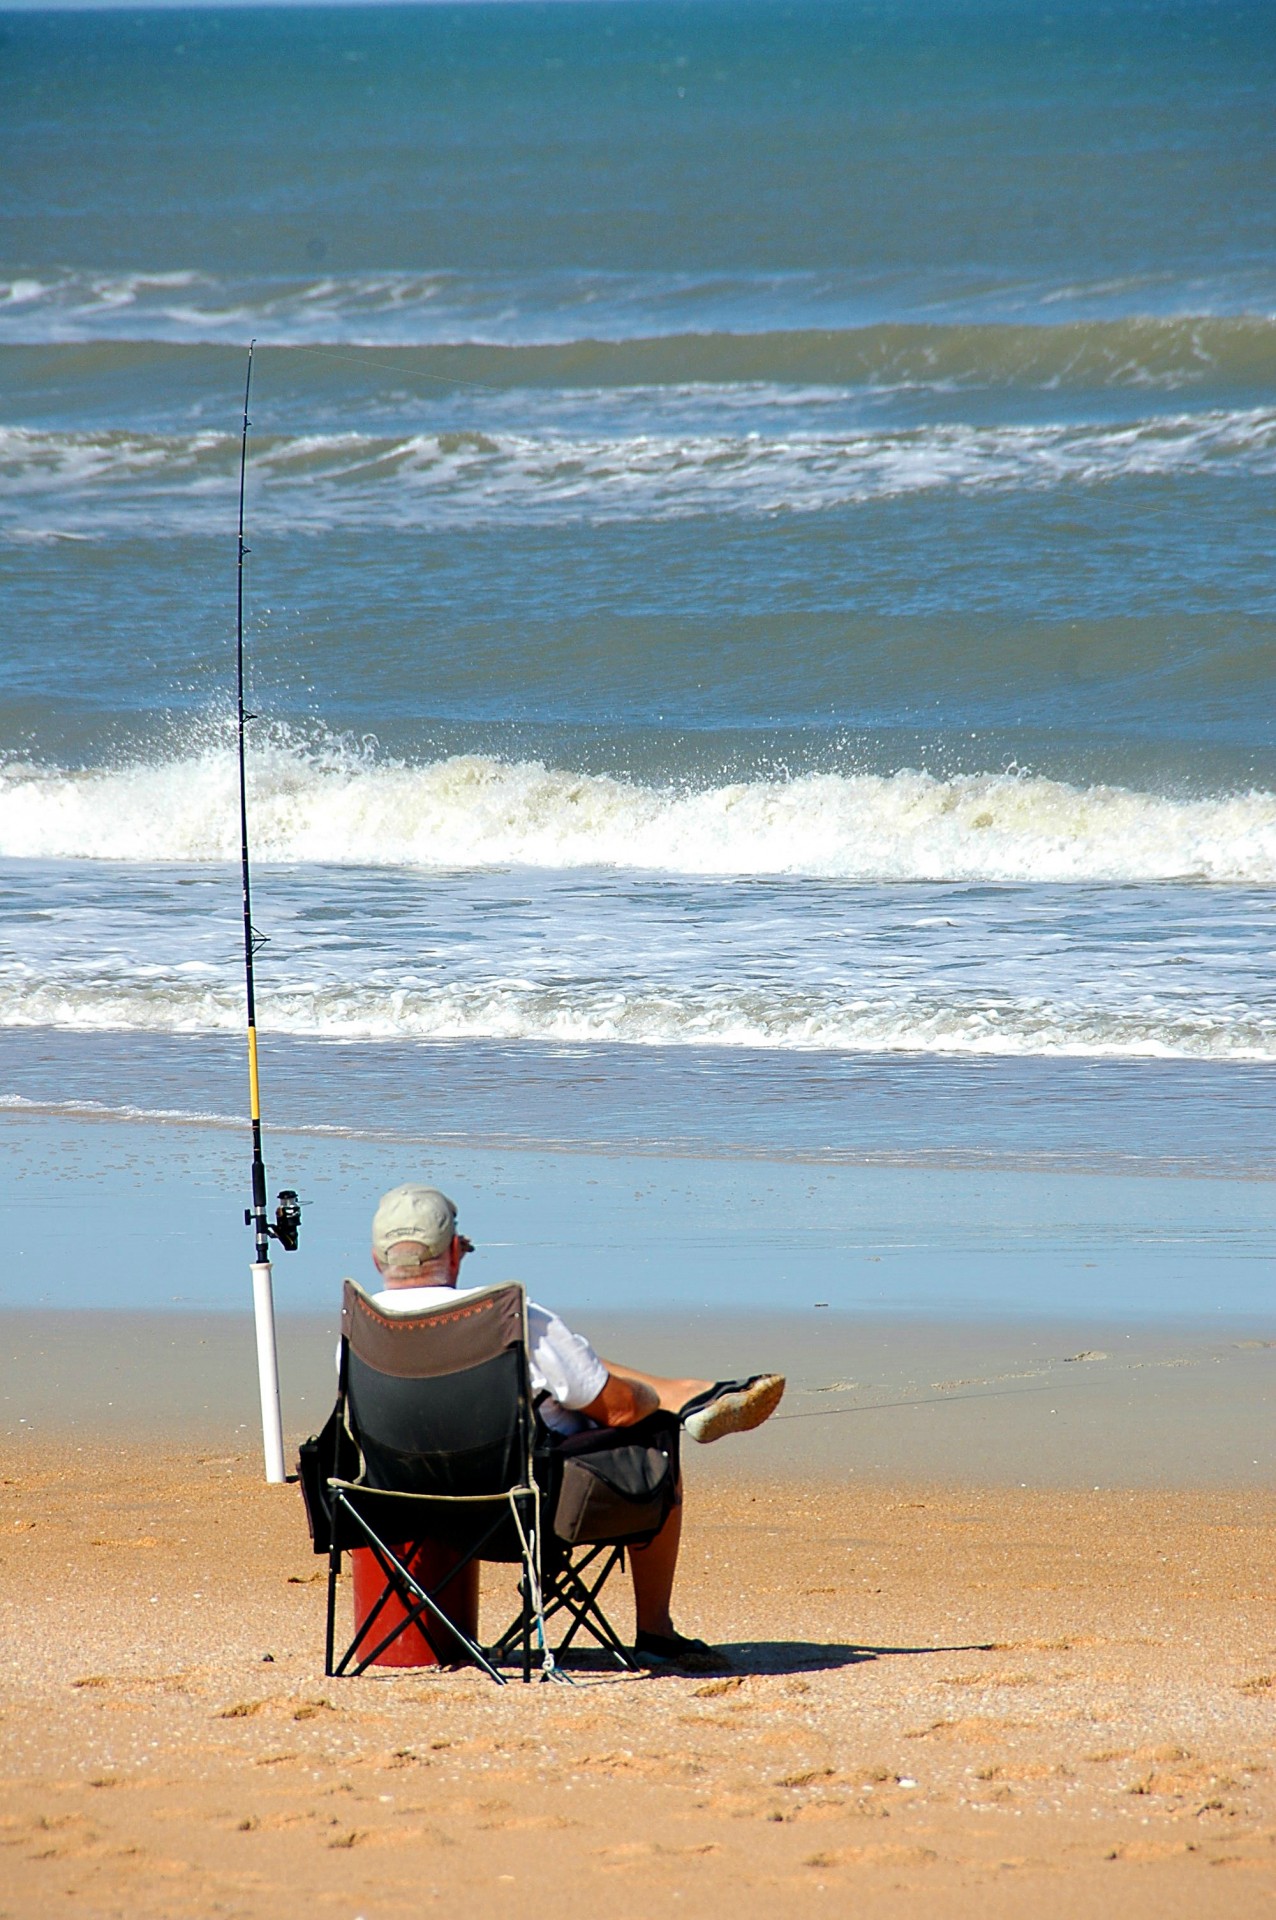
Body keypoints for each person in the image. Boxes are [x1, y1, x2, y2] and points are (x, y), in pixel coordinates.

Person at [365, 1182, 785, 1672]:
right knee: (653, 1432)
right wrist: (649, 1402)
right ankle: (656, 1629)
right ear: (456, 1252)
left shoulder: (362, 1330)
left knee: (561, 1379)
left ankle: (688, 1392)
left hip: (407, 1512)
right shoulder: (508, 1317)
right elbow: (622, 1412)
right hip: (529, 1513)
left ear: (377, 1261)